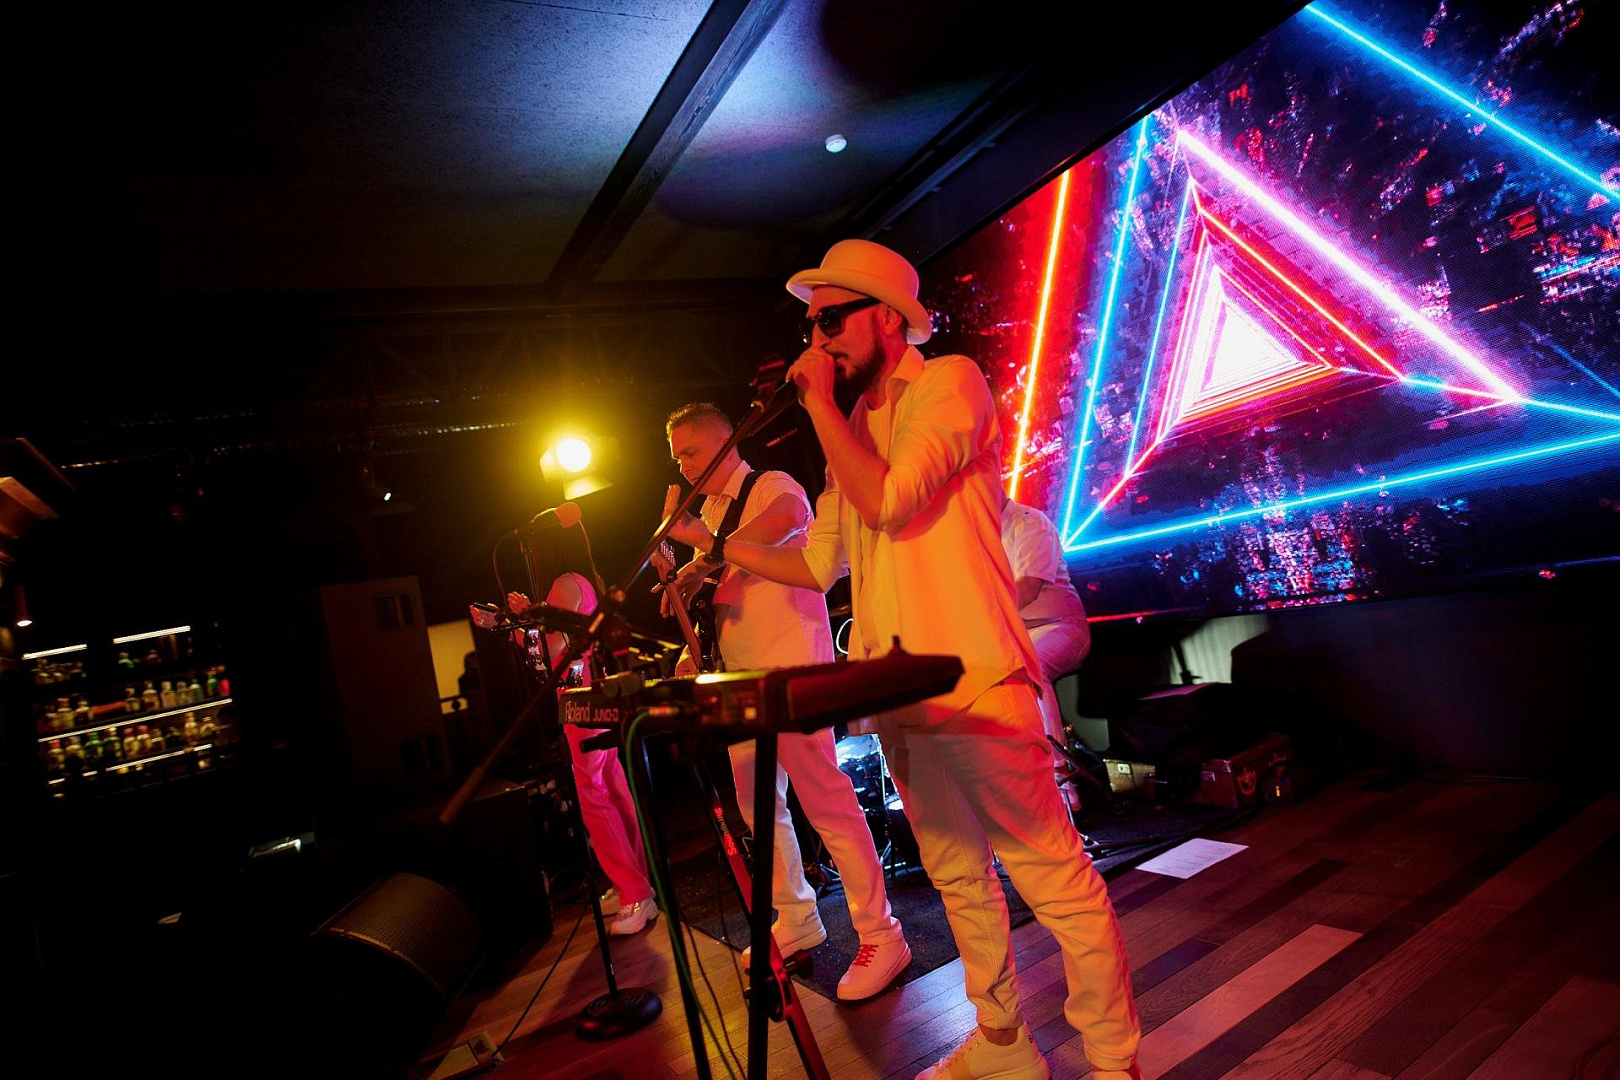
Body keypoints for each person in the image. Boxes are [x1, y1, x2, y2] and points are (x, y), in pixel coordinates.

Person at [667, 240, 1142, 1080]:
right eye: (811, 326)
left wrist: (820, 410)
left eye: (831, 320)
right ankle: (1004, 1044)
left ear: (887, 317)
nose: (817, 339)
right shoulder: (851, 430)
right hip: (901, 696)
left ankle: (1113, 1061)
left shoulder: (949, 383)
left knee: (1053, 878)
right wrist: (712, 545)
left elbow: (892, 498)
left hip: (975, 680)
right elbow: (819, 564)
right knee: (958, 878)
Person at [658, 401, 911, 1002]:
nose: (683, 465)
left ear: (725, 444)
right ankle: (796, 916)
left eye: (692, 452)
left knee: (825, 799)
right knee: (756, 805)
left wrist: (701, 549)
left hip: (791, 668)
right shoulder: (714, 514)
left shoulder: (770, 486)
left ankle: (881, 932)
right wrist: (690, 617)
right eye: (676, 457)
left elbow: (779, 527)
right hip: (742, 679)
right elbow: (721, 590)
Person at [505, 560, 658, 937]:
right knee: (612, 785)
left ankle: (635, 892)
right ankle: (635, 883)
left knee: (594, 793)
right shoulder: (580, 581)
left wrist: (513, 626)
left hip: (581, 700)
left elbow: (553, 649)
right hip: (594, 694)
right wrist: (525, 620)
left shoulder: (564, 582)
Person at [1001, 497, 1093, 803]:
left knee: (1030, 662)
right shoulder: (977, 536)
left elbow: (1027, 589)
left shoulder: (1029, 522)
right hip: (1015, 636)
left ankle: (1059, 777)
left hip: (1061, 628)